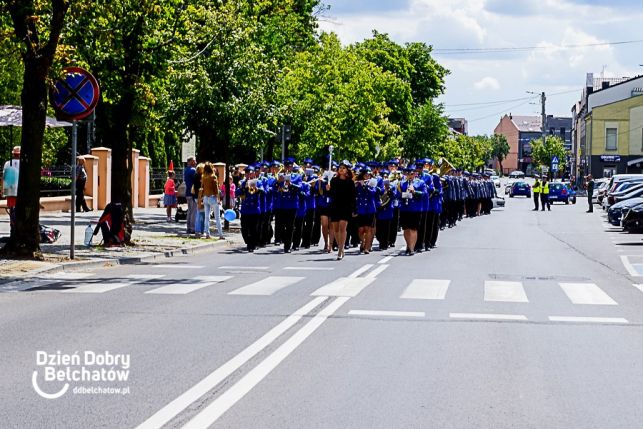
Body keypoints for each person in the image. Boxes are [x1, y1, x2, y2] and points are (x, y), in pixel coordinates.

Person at [328, 160, 356, 260]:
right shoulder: (334, 181)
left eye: (343, 168)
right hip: (335, 206)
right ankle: (340, 246)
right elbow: (331, 195)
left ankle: (340, 249)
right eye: (340, 168)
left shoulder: (350, 182)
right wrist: (328, 189)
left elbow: (353, 197)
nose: (341, 169)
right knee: (335, 228)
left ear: (347, 170)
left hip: (346, 207)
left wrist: (353, 209)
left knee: (342, 227)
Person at [201, 162, 224, 239]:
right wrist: (218, 199)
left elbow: (202, 188)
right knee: (217, 217)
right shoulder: (213, 177)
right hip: (212, 197)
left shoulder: (203, 177)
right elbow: (216, 190)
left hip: (205, 198)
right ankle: (220, 234)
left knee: (207, 217)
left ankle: (207, 233)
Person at [2, 146, 20, 235]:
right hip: (20, 191)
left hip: (10, 191)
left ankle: (12, 229)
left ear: (13, 154)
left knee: (12, 210)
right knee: (20, 210)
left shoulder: (7, 163)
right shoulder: (24, 164)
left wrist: (3, 190)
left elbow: (4, 177)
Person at [184, 156, 197, 234]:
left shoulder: (186, 170)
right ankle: (192, 228)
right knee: (193, 211)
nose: (195, 162)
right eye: (194, 161)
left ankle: (188, 227)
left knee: (189, 210)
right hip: (192, 193)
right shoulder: (193, 170)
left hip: (187, 193)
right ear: (191, 161)